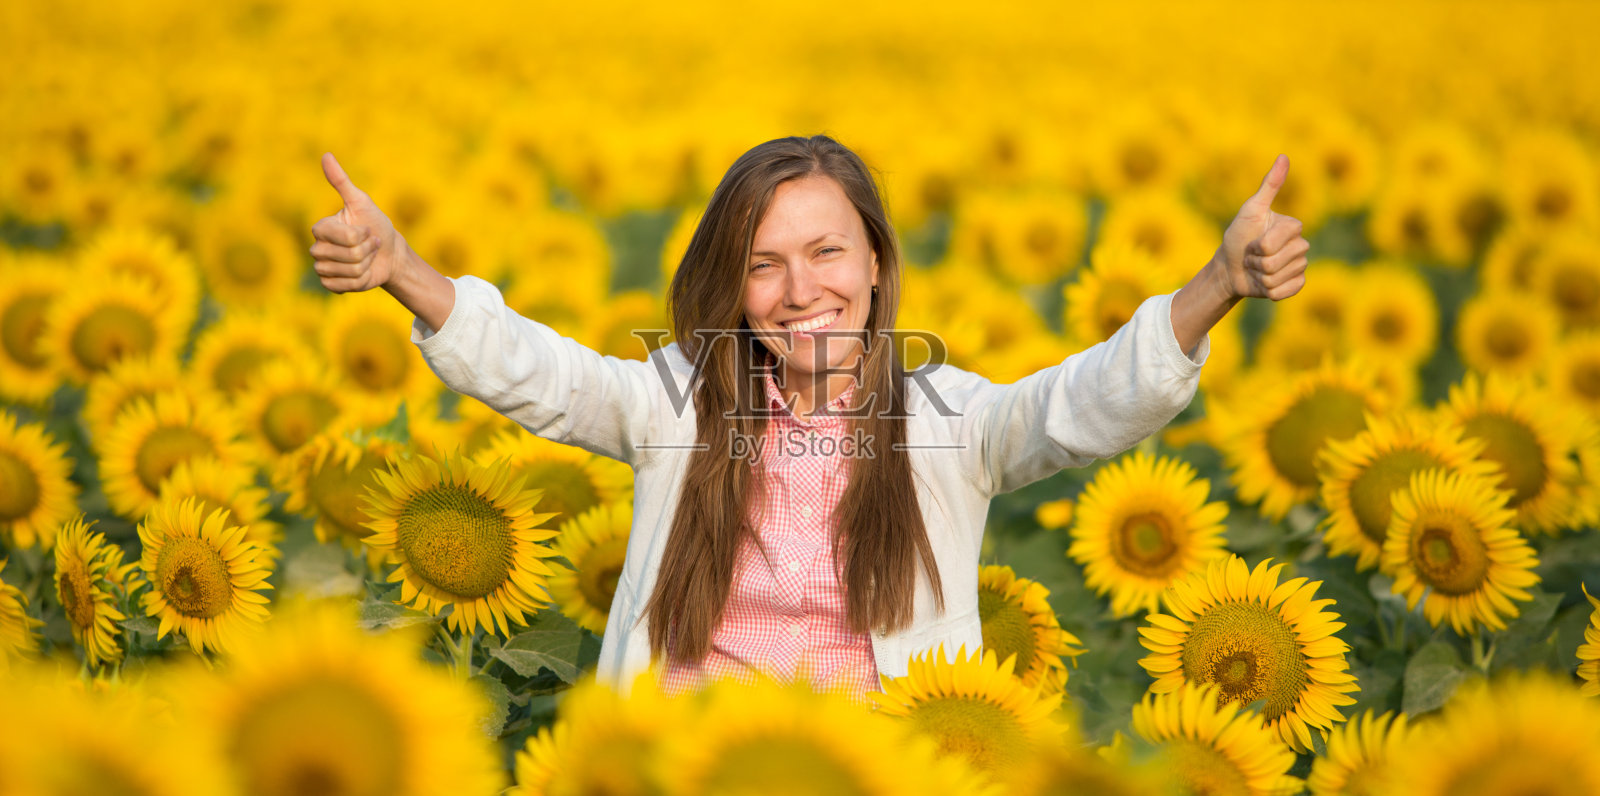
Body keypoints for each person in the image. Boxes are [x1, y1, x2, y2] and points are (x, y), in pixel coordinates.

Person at [309, 135, 1308, 699]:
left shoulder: (943, 422)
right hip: (685, 760)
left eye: (826, 252)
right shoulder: (681, 403)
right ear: (733, 286)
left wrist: (1218, 283)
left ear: (874, 262)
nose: (799, 290)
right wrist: (402, 271)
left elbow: (1077, 407)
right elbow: (551, 377)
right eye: (762, 262)